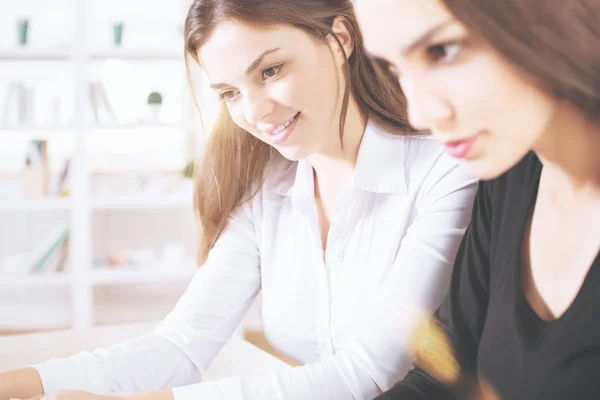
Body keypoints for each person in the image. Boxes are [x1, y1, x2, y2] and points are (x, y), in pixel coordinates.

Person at [0, 1, 477, 400]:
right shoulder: (268, 189)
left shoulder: (444, 170)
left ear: (340, 40)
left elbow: (368, 375)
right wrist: (17, 384)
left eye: (270, 71)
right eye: (229, 92)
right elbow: (181, 346)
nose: (254, 112)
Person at [354, 0, 600, 399]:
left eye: (442, 51)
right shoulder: (510, 175)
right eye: (395, 68)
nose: (419, 113)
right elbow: (445, 376)